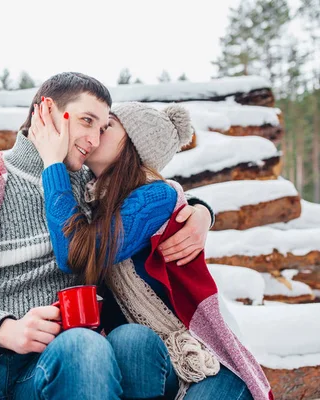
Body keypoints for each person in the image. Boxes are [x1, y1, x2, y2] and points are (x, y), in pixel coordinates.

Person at [0, 72, 214, 400]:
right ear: (47, 111)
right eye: (86, 121)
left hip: (49, 364)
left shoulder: (90, 191)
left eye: (103, 127)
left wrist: (201, 212)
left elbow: (148, 196)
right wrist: (1, 329)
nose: (94, 140)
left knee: (86, 348)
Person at [31, 101, 271, 399]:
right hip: (148, 357)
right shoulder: (92, 196)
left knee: (132, 341)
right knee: (130, 340)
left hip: (204, 361)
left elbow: (74, 252)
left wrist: (52, 165)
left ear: (134, 145)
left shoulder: (157, 196)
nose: (96, 133)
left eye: (107, 127)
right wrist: (202, 209)